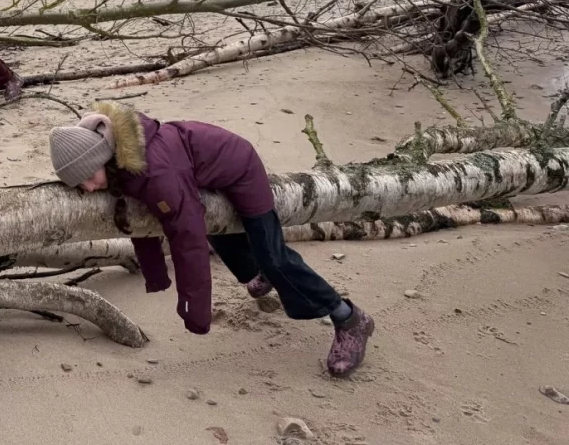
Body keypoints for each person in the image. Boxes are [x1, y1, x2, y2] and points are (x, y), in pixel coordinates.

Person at [47, 102, 375, 377]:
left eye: (89, 178)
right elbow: (145, 215)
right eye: (81, 186)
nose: (88, 188)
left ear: (103, 159)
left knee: (274, 257)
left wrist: (194, 309)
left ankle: (348, 317)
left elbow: (187, 238)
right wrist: (156, 273)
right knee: (225, 238)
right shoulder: (119, 159)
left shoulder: (156, 172)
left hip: (240, 167)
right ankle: (258, 271)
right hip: (203, 173)